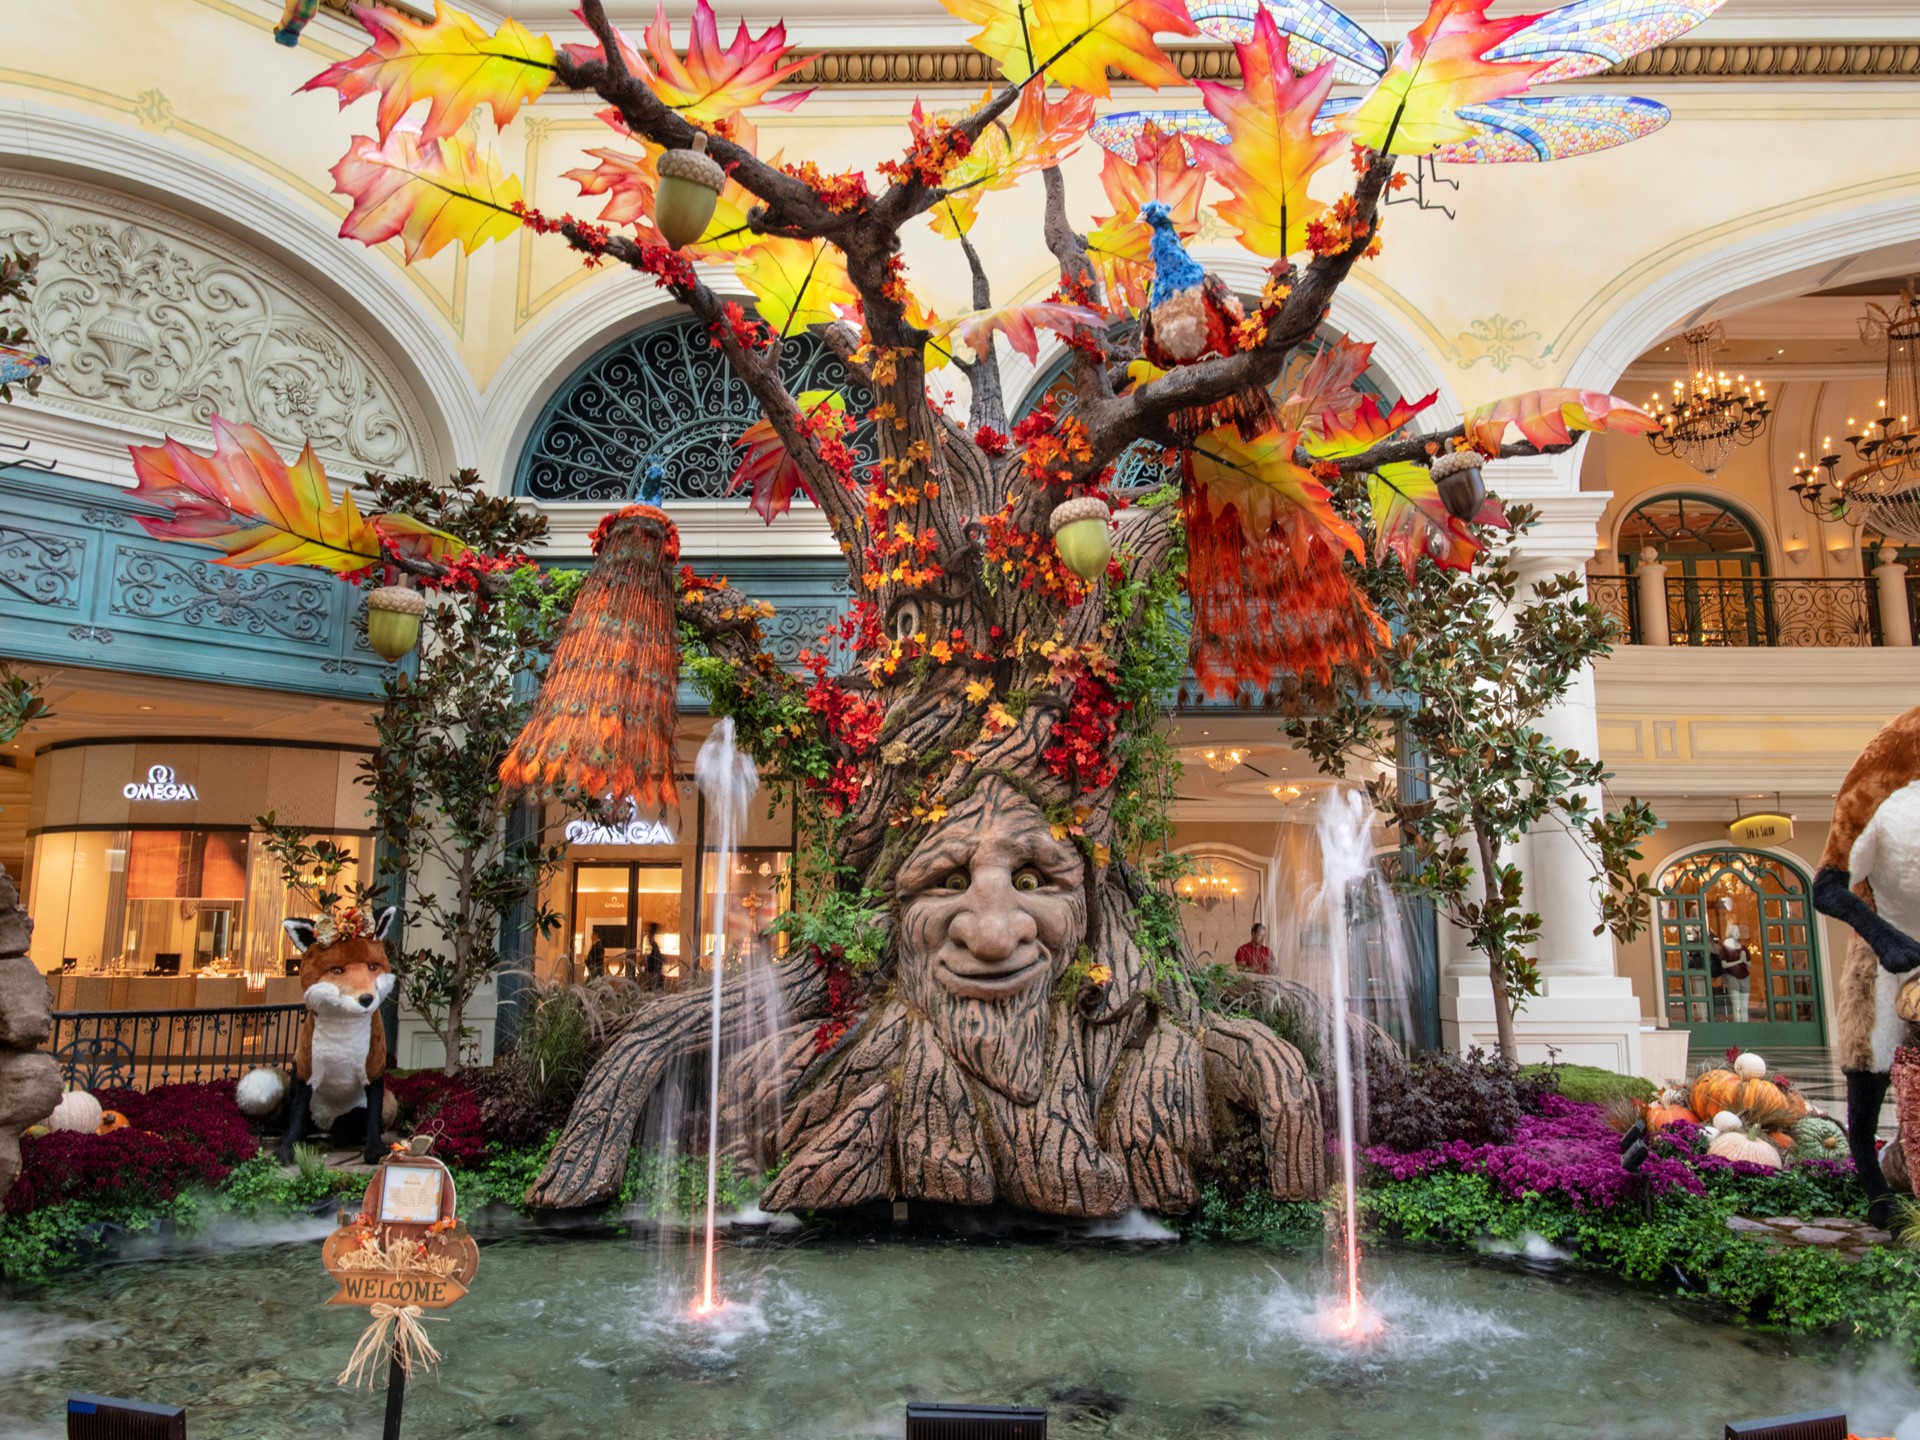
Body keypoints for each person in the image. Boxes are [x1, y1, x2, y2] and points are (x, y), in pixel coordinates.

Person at [642, 922, 665, 988]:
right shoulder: (654, 947)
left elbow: (656, 961)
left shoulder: (654, 947)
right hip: (653, 973)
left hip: (653, 973)